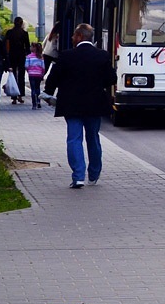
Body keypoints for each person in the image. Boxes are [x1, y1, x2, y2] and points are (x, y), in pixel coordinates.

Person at [42, 23, 117, 188]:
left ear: (80, 37)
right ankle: (94, 173)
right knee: (93, 138)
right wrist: (98, 85)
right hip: (94, 105)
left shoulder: (66, 56)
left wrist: (48, 93)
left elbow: (53, 78)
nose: (71, 38)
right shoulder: (102, 56)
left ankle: (78, 176)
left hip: (71, 105)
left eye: (74, 35)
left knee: (74, 139)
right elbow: (112, 79)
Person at [5, 16, 31, 103]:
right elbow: (27, 47)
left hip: (11, 56)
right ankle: (20, 95)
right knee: (21, 76)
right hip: (21, 56)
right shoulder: (24, 33)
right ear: (21, 23)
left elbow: (6, 45)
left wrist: (7, 55)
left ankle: (14, 96)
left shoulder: (9, 33)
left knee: (13, 76)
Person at [25, 42, 46, 109]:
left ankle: (34, 104)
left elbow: (26, 66)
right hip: (38, 74)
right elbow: (43, 67)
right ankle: (39, 102)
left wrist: (28, 71)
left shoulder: (28, 57)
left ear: (34, 48)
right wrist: (42, 74)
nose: (30, 48)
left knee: (33, 89)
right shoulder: (40, 57)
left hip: (31, 74)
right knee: (38, 88)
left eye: (31, 46)